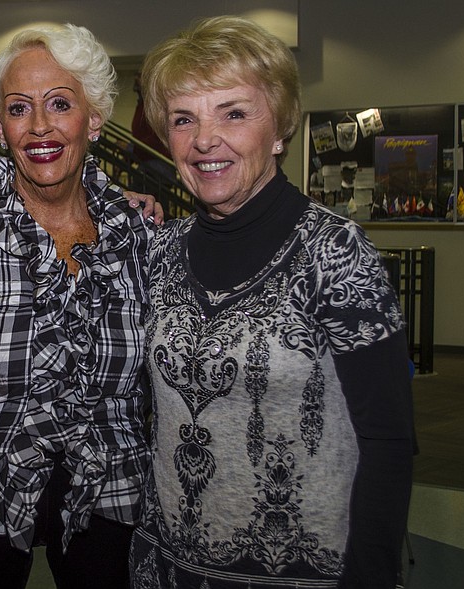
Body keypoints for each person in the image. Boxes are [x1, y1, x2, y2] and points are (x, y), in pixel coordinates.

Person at [130, 16, 415, 589]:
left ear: (280, 128)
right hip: (168, 569)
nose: (205, 140)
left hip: (302, 573)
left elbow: (389, 439)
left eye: (233, 113)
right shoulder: (157, 251)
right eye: (184, 119)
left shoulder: (335, 252)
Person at [0, 24, 157, 589]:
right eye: (20, 108)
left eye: (61, 104)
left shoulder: (141, 237)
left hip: (114, 487)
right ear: (0, 128)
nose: (40, 126)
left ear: (94, 118)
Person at [128, 70, 173, 194]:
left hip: (157, 168)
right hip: (148, 165)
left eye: (140, 76)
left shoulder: (155, 107)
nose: (136, 79)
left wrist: (130, 148)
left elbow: (156, 139)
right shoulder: (142, 105)